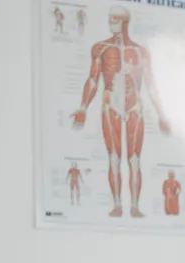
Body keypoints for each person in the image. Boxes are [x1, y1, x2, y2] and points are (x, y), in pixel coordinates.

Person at [71, 5, 171, 219]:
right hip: (110, 105)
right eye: (110, 19)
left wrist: (162, 115)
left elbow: (152, 85)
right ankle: (117, 204)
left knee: (134, 159)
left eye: (115, 19)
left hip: (134, 106)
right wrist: (83, 107)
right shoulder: (100, 49)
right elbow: (92, 79)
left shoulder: (140, 52)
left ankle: (134, 206)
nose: (111, 23)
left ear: (124, 22)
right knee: (114, 158)